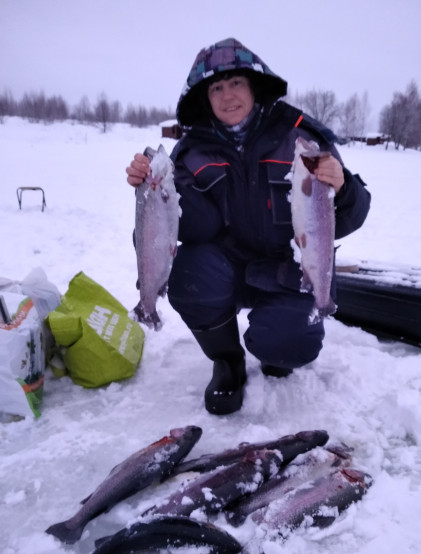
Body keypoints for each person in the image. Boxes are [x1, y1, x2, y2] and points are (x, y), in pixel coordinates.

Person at [126, 37, 371, 416]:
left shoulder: (301, 137)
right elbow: (175, 231)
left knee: (287, 344)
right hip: (227, 267)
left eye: (236, 83)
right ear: (205, 98)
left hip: (290, 269)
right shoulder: (190, 152)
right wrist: (149, 191)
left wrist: (344, 187)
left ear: (255, 85)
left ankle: (278, 348)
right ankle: (228, 361)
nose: (227, 96)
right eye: (216, 88)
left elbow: (350, 219)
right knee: (190, 273)